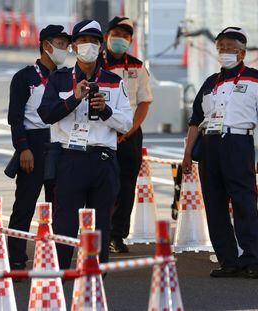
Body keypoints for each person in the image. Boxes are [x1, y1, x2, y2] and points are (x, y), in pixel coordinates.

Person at [182, 27, 258, 279]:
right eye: (221, 47)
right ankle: (228, 260)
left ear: (242, 53)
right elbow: (195, 121)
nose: (224, 52)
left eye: (230, 48)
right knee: (214, 204)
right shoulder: (210, 82)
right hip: (209, 144)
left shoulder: (257, 79)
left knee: (244, 201)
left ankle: (251, 259)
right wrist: (187, 153)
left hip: (238, 143)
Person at [38, 20, 133, 269]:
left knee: (101, 221)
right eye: (82, 41)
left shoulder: (113, 80)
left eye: (93, 41)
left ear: (100, 46)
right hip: (70, 157)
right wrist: (74, 98)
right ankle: (59, 272)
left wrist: (106, 110)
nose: (87, 46)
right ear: (74, 46)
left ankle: (94, 273)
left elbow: (126, 124)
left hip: (102, 159)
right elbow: (46, 114)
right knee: (65, 221)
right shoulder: (59, 79)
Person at [6, 25, 71, 271]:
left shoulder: (67, 77)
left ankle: (55, 258)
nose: (65, 49)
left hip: (60, 145)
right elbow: (15, 116)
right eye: (60, 43)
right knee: (24, 205)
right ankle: (16, 259)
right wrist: (22, 148)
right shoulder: (25, 77)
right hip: (33, 145)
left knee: (60, 206)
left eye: (66, 44)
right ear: (46, 45)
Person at [100, 16, 153, 253]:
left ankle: (117, 235)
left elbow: (144, 102)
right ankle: (96, 232)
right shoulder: (95, 65)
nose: (120, 39)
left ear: (131, 40)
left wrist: (129, 130)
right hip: (101, 132)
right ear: (106, 37)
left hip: (129, 135)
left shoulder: (138, 66)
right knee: (101, 185)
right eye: (116, 35)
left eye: (125, 36)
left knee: (126, 185)